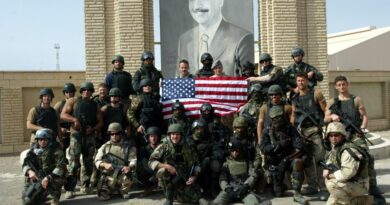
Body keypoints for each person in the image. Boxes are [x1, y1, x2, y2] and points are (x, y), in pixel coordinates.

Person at [324, 75, 385, 204]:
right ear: (336, 86)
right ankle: (336, 185)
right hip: (340, 135)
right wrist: (332, 116)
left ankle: (372, 187)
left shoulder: (356, 100)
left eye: (343, 84)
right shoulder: (332, 102)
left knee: (367, 158)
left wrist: (362, 129)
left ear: (347, 85)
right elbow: (325, 118)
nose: (341, 87)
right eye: (339, 85)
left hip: (355, 134)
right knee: (334, 159)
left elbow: (364, 116)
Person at [178, 0, 254, 76]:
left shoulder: (242, 38)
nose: (197, 6)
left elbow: (245, 77)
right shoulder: (184, 39)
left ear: (220, 2)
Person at [60, 81, 103, 199]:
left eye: (89, 90)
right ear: (81, 91)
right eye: (84, 90)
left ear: (91, 92)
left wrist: (93, 128)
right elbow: (63, 115)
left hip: (89, 137)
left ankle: (85, 185)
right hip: (76, 136)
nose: (86, 92)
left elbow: (100, 122)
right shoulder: (73, 101)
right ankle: (70, 188)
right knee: (73, 163)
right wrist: (74, 120)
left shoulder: (95, 105)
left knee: (88, 162)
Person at [148, 124, 207, 205]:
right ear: (169, 135)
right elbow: (151, 162)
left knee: (191, 197)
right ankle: (169, 198)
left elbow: (197, 163)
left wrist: (194, 176)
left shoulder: (189, 145)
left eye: (177, 134)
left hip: (184, 176)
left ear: (181, 135)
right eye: (172, 134)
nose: (175, 137)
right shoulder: (164, 145)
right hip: (168, 178)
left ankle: (182, 195)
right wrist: (167, 166)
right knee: (163, 171)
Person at [291, 72, 328, 200]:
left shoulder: (316, 93)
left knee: (320, 159)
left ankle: (323, 188)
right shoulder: (294, 97)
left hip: (315, 130)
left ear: (307, 81)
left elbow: (325, 110)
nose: (300, 83)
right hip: (301, 133)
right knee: (307, 161)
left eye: (303, 80)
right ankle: (312, 186)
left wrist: (326, 127)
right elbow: (293, 115)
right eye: (298, 81)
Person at [260, 106, 308, 204]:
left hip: (289, 159)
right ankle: (281, 186)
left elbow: (299, 147)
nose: (277, 120)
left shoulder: (290, 129)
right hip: (275, 162)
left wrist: (287, 158)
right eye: (274, 118)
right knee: (278, 193)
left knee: (298, 163)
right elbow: (263, 148)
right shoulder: (267, 131)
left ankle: (297, 194)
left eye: (279, 117)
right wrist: (278, 145)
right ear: (271, 119)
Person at [323, 122, 373, 205]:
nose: (333, 138)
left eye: (336, 135)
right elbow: (331, 160)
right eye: (331, 136)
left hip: (360, 184)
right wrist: (326, 168)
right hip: (350, 182)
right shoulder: (336, 147)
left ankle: (356, 201)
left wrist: (330, 175)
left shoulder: (347, 151)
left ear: (342, 135)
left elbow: (347, 173)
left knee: (331, 183)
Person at [212, 139, 271, 205]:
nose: (234, 153)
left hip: (244, 190)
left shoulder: (247, 162)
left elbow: (253, 175)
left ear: (240, 151)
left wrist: (246, 186)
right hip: (230, 190)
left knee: (253, 202)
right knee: (216, 203)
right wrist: (227, 189)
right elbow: (222, 179)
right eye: (232, 150)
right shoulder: (226, 164)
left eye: (236, 151)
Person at [22, 128, 67, 205]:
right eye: (40, 139)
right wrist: (30, 171)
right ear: (37, 140)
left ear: (49, 139)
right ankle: (40, 196)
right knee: (27, 201)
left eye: (45, 139)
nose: (42, 141)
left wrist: (48, 177)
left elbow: (61, 166)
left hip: (52, 176)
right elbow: (26, 163)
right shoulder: (33, 151)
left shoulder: (56, 150)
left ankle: (55, 195)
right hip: (38, 177)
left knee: (57, 180)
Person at [94, 122, 137, 201]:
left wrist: (129, 167)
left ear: (121, 133)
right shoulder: (105, 146)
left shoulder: (128, 147)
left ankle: (123, 191)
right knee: (103, 194)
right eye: (112, 134)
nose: (114, 136)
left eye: (117, 133)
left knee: (129, 176)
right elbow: (97, 160)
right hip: (109, 173)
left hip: (122, 172)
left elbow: (133, 160)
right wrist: (104, 164)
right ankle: (108, 190)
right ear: (109, 134)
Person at [127, 79, 164, 148]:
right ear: (142, 87)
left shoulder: (157, 98)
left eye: (149, 85)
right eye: (145, 86)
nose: (147, 87)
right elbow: (130, 114)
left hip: (156, 128)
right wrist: (137, 125)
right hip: (143, 129)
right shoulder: (138, 99)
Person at [137, 126, 162, 195]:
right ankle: (148, 187)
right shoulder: (144, 149)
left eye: (155, 136)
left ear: (158, 137)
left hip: (161, 170)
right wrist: (156, 175)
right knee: (141, 170)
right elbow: (145, 165)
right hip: (150, 172)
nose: (153, 138)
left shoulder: (162, 148)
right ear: (148, 137)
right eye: (151, 136)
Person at [54, 83, 76, 151]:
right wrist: (60, 128)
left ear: (74, 92)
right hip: (63, 135)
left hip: (74, 133)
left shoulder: (77, 103)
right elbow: (53, 119)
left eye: (71, 92)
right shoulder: (59, 104)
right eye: (67, 92)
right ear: (64, 93)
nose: (69, 94)